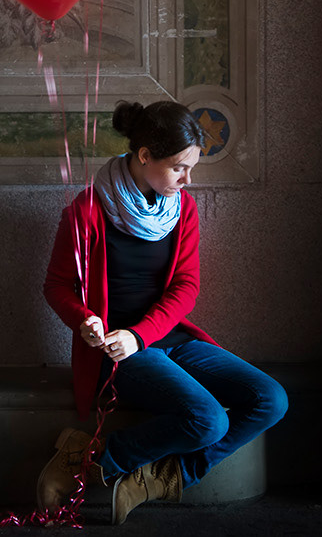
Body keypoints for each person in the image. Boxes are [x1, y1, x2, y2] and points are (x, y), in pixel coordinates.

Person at [39, 99, 288, 524]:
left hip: (166, 339)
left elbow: (185, 287)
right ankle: (86, 458)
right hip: (118, 351)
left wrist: (143, 333)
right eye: (179, 167)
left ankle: (164, 475)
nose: (188, 180)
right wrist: (85, 321)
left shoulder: (182, 211)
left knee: (271, 399)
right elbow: (57, 286)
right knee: (208, 421)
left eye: (192, 167)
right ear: (144, 156)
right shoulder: (86, 211)